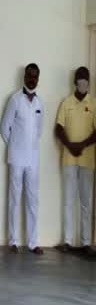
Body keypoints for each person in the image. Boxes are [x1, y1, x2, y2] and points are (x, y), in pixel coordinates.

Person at [0, 63, 43, 254]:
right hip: (17, 158)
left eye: (35, 76)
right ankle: (13, 241)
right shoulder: (15, 100)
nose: (32, 79)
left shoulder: (39, 103)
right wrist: (15, 146)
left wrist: (29, 147)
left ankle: (33, 242)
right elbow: (4, 128)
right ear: (24, 77)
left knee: (33, 201)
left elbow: (39, 131)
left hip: (33, 159)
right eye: (29, 75)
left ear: (38, 78)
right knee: (15, 199)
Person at [55, 66, 96, 252]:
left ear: (89, 81)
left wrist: (82, 145)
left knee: (86, 201)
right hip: (69, 159)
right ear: (74, 81)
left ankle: (87, 242)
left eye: (85, 78)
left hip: (87, 160)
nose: (82, 81)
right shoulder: (66, 103)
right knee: (68, 199)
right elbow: (58, 129)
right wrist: (71, 146)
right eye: (80, 78)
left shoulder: (94, 104)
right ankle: (68, 241)